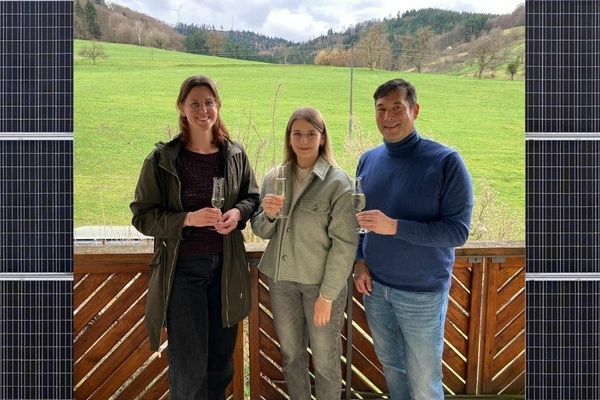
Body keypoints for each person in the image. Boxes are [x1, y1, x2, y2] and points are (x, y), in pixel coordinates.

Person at [130, 74, 260, 400]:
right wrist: (188, 218)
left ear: (218, 106)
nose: (203, 110)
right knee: (189, 369)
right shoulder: (162, 160)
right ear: (182, 108)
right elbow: (142, 216)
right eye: (195, 103)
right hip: (183, 273)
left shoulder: (234, 154)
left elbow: (252, 197)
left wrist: (237, 213)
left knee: (220, 366)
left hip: (226, 270)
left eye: (209, 102)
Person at [352, 78, 473, 400]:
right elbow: (359, 223)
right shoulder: (367, 160)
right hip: (375, 289)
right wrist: (359, 261)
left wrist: (396, 227)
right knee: (392, 367)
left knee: (424, 379)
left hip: (421, 293)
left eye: (397, 108)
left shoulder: (446, 161)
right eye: (381, 109)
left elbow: (457, 232)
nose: (388, 116)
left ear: (414, 110)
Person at [251, 106, 358, 400]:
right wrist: (269, 215)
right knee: (291, 356)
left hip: (320, 286)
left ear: (322, 138)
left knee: (325, 362)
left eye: (312, 133)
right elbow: (260, 229)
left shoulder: (338, 182)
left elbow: (345, 243)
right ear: (289, 137)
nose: (304, 140)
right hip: (282, 282)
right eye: (297, 133)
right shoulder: (274, 177)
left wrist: (327, 296)